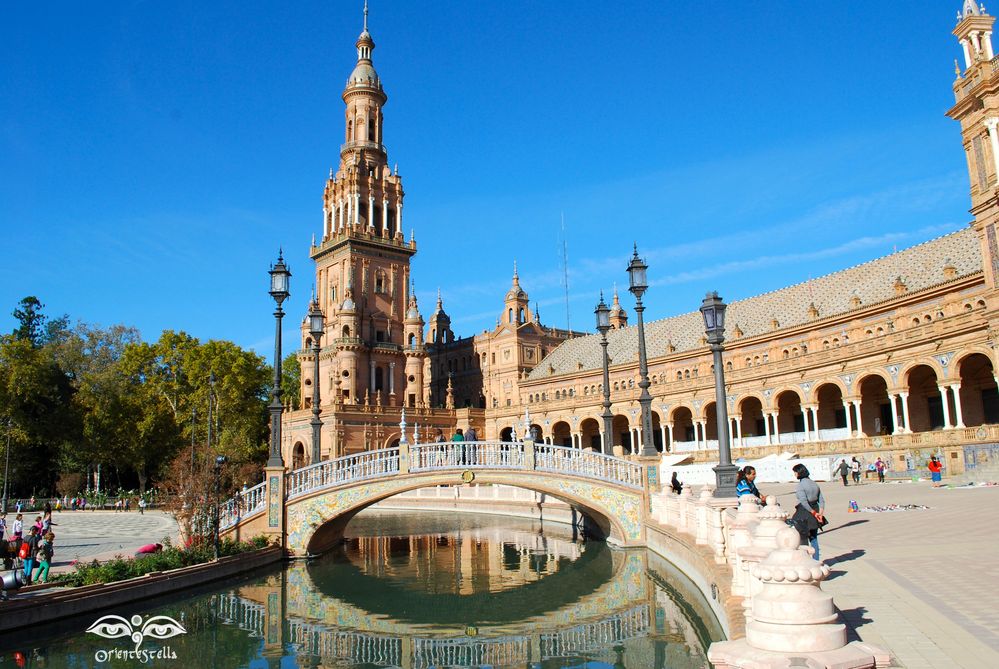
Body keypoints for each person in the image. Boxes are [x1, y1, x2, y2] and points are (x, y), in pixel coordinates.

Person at [791, 463, 826, 561]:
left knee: (802, 537)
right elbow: (822, 500)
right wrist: (819, 513)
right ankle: (816, 560)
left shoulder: (801, 485)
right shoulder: (814, 483)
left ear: (799, 472)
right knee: (814, 538)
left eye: (795, 472)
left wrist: (813, 512)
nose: (794, 474)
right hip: (816, 510)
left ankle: (805, 560)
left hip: (804, 512)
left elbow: (804, 502)